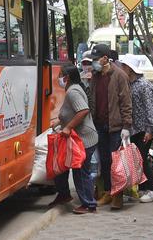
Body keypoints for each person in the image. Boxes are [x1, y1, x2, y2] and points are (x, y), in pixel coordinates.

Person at [49, 64, 99, 214]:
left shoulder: (73, 92)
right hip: (79, 138)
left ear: (67, 77)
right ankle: (64, 195)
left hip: (84, 139)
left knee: (81, 172)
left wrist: (68, 127)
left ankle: (89, 204)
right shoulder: (73, 89)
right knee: (63, 167)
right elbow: (72, 111)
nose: (59, 78)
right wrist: (59, 122)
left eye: (61, 75)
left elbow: (83, 110)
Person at [88, 44, 133, 210]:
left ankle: (118, 195)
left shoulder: (120, 75)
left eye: (96, 59)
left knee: (117, 162)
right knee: (105, 161)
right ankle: (108, 191)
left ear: (105, 58)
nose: (94, 62)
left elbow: (126, 102)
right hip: (99, 125)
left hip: (115, 126)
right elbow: (92, 100)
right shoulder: (95, 75)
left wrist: (126, 125)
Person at [119, 55, 153, 203]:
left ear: (129, 68)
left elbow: (150, 109)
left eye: (123, 66)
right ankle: (141, 189)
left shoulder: (144, 85)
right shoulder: (129, 83)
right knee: (135, 160)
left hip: (143, 130)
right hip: (133, 129)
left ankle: (151, 189)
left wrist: (149, 130)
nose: (121, 69)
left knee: (141, 158)